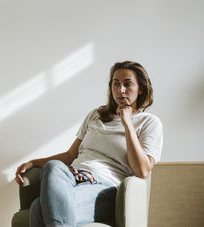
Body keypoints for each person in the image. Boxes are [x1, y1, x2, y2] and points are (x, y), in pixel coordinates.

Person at [15, 61, 163, 227]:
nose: (121, 90)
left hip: (105, 187)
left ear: (140, 88)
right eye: (116, 83)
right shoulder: (96, 115)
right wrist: (34, 162)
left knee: (38, 208)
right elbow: (71, 155)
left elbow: (142, 171)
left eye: (127, 84)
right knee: (53, 166)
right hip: (71, 177)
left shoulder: (149, 122)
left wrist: (127, 123)